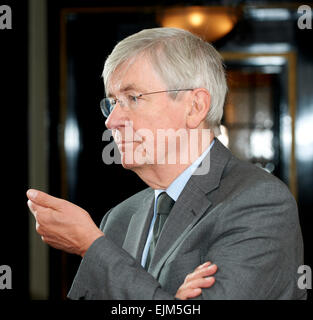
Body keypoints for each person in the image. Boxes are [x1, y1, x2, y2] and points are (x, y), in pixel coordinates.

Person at [27, 27, 306, 300]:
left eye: (133, 98)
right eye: (112, 102)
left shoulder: (260, 203)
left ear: (195, 106)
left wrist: (93, 247)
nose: (111, 121)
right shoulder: (120, 217)